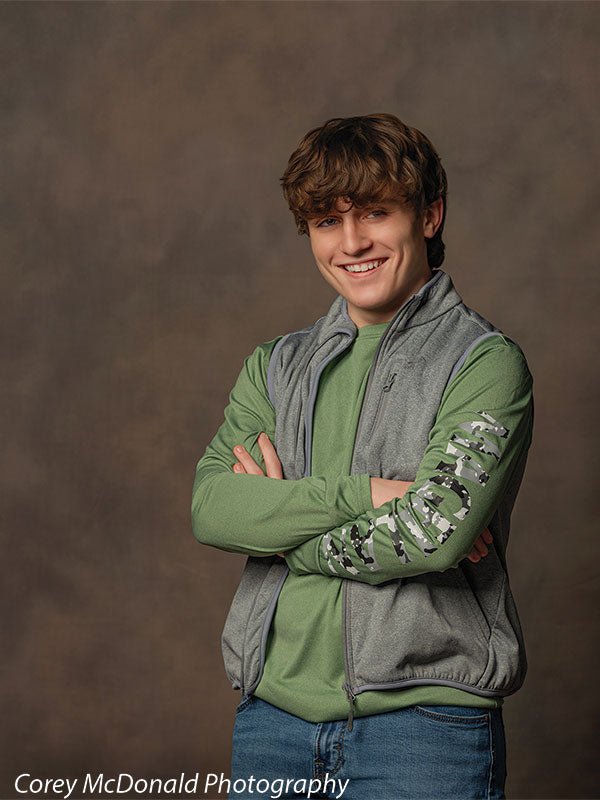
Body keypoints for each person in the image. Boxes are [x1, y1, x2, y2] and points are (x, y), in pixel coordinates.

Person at [191, 114, 534, 800]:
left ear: (429, 214)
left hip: (427, 729)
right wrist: (365, 495)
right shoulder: (274, 367)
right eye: (326, 221)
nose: (351, 243)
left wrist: (289, 542)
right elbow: (213, 508)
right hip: (271, 722)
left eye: (376, 212)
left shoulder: (484, 365)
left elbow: (435, 534)